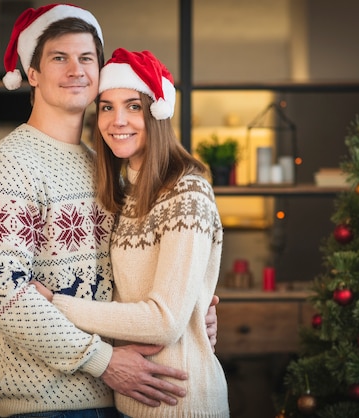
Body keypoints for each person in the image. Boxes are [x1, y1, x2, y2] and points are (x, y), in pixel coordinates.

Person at [0, 4, 218, 417]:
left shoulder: (105, 168)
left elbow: (133, 274)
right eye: (58, 58)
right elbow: (1, 296)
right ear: (32, 73)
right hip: (38, 404)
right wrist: (105, 361)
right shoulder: (7, 165)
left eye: (86, 58)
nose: (76, 70)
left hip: (117, 397)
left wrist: (191, 309)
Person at [33, 48, 230, 417]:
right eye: (106, 107)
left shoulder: (187, 193)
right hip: (129, 401)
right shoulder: (126, 195)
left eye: (133, 106)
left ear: (156, 112)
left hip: (180, 402)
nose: (116, 120)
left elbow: (164, 322)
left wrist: (56, 305)